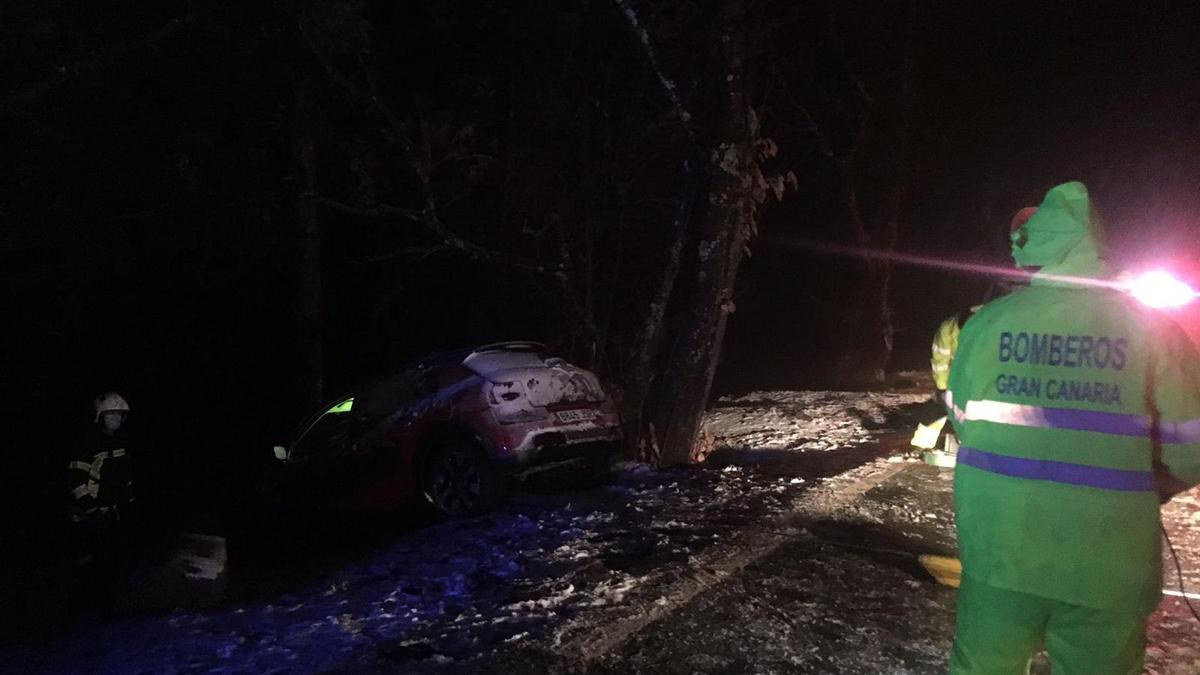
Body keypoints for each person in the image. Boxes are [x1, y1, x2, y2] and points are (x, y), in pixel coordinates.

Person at [945, 181, 1200, 673]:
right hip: (1108, 561)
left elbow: (963, 416)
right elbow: (1191, 444)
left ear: (1031, 248)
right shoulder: (1153, 329)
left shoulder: (987, 324)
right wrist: (1145, 484)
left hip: (1002, 549)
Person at [66, 392, 141, 605]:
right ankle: (85, 605)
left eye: (119, 415)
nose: (115, 419)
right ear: (100, 416)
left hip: (113, 511)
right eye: (111, 415)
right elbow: (76, 479)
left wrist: (129, 500)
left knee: (115, 558)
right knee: (90, 561)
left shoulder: (121, 442)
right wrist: (89, 507)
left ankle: (113, 601)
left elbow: (124, 477)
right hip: (90, 514)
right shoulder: (87, 444)